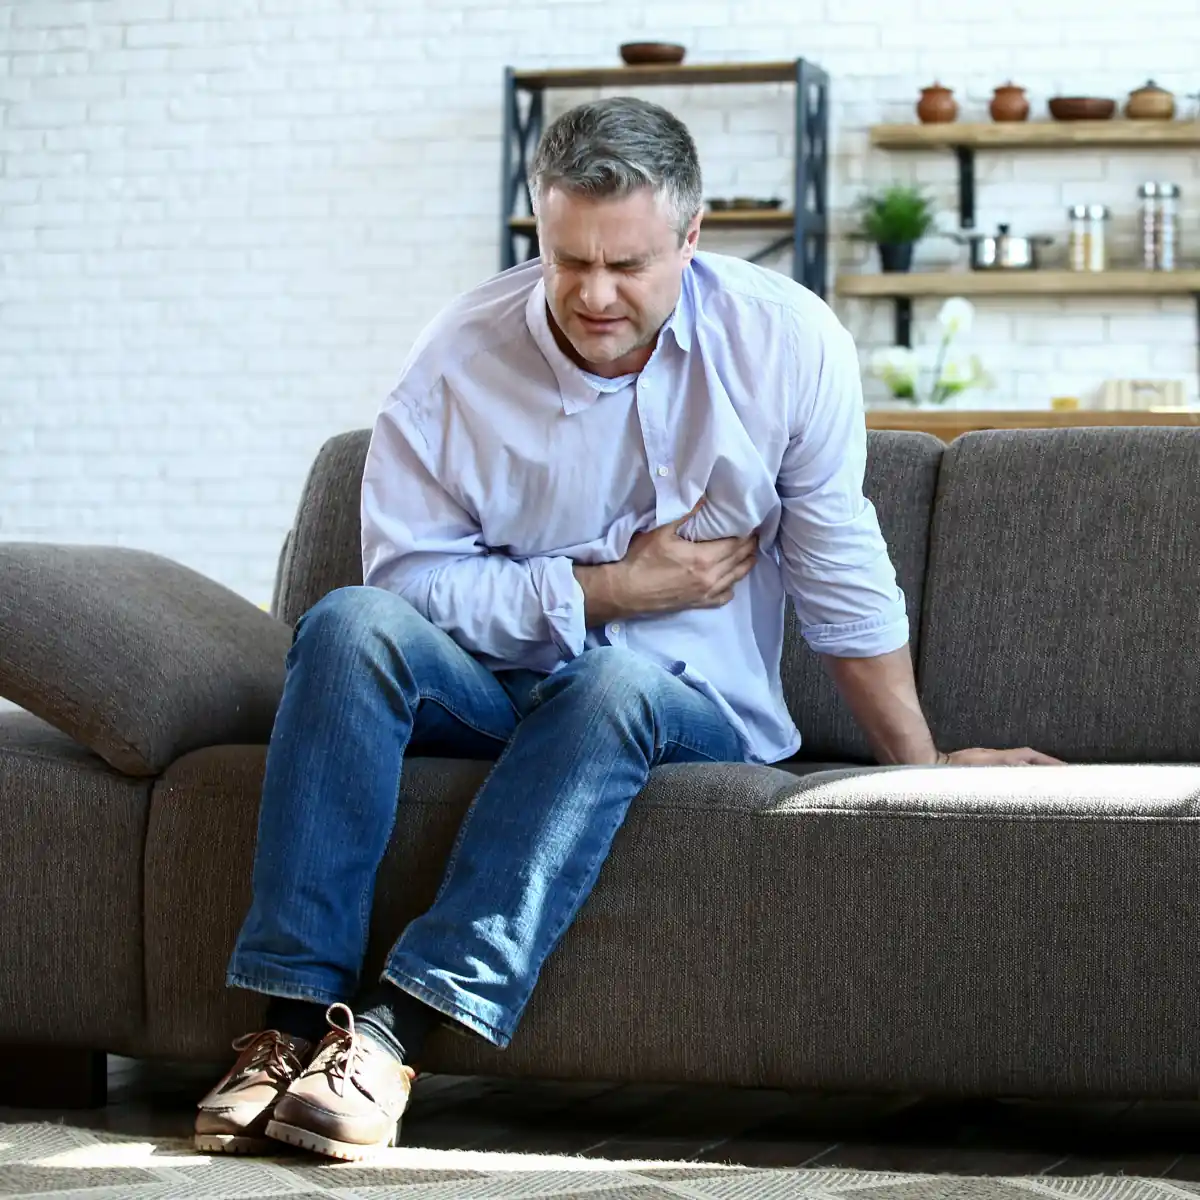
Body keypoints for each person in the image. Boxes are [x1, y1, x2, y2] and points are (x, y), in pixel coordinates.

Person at [195, 96, 1062, 1162]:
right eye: (569, 261)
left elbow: (840, 567)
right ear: (539, 230)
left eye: (630, 265)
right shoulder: (458, 359)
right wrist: (603, 591)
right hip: (491, 693)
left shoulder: (784, 343)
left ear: (692, 238)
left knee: (606, 687)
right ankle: (286, 1030)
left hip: (680, 710)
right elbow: (408, 582)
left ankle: (389, 1036)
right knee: (345, 626)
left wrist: (918, 769)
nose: (594, 295)